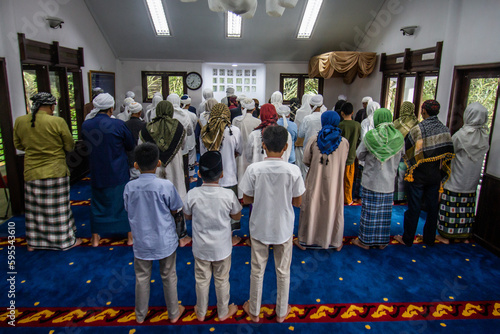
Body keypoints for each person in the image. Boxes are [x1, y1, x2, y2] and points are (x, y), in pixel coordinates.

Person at [240, 125, 305, 323]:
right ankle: (281, 312)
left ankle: (254, 311)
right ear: (286, 147)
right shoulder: (293, 170)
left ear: (263, 145)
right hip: (283, 227)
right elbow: (298, 202)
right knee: (283, 271)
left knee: (257, 270)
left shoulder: (254, 169)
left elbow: (246, 200)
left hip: (259, 226)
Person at [123, 143, 186, 324]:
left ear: (136, 165)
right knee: (168, 275)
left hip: (141, 240)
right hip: (164, 239)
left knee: (142, 277)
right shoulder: (165, 185)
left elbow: (128, 209)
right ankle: (174, 313)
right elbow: (176, 208)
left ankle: (140, 315)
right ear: (158, 163)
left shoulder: (129, 187)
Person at [13, 92, 81, 251]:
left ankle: (34, 242)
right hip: (55, 171)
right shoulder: (57, 121)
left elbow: (19, 145)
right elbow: (69, 146)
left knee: (35, 210)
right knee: (59, 208)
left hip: (32, 171)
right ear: (52, 106)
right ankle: (65, 241)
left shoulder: (20, 121)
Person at [183, 151, 242, 322]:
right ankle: (223, 311)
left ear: (199, 174)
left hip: (200, 247)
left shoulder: (192, 194)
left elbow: (187, 216)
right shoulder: (228, 195)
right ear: (222, 174)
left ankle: (201, 312)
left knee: (201, 279)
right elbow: (237, 216)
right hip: (222, 247)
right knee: (222, 279)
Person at [395, 100, 455, 247]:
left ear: (424, 111)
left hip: (417, 174)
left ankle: (408, 239)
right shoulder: (444, 130)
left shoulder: (418, 129)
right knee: (433, 209)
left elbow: (407, 150)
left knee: (414, 208)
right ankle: (429, 239)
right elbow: (447, 153)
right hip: (435, 175)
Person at [82, 93, 135, 247]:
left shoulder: (86, 125)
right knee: (122, 203)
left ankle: (95, 239)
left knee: (97, 204)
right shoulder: (118, 125)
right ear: (111, 108)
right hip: (117, 171)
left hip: (97, 171)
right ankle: (130, 237)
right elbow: (130, 145)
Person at [295, 111, 348, 251]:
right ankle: (334, 242)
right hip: (334, 182)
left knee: (312, 206)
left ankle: (306, 240)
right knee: (332, 207)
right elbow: (344, 162)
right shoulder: (344, 142)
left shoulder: (314, 139)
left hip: (315, 179)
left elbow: (306, 160)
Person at [436, 102, 489, 244]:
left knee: (451, 207)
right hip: (472, 181)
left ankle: (446, 236)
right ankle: (463, 236)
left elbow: (448, 154)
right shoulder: (484, 137)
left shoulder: (460, 135)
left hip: (456, 178)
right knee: (466, 209)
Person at [352, 108, 404, 250]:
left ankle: (365, 242)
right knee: (385, 213)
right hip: (388, 182)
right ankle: (381, 242)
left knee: (369, 212)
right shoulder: (398, 137)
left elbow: (359, 154)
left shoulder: (371, 136)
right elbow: (402, 155)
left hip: (371, 181)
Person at [200, 103, 242, 241]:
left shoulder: (205, 131)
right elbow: (239, 150)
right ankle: (229, 237)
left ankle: (212, 235)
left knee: (212, 208)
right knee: (230, 208)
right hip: (229, 175)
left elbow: (202, 154)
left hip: (210, 177)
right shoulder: (233, 130)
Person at [139, 101, 188, 202]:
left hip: (154, 167)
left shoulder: (147, 128)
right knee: (175, 190)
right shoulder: (178, 127)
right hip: (174, 166)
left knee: (156, 198)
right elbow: (183, 145)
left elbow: (140, 147)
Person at [232, 98, 261, 200]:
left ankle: (241, 196)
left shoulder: (236, 120)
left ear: (242, 107)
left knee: (240, 173)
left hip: (239, 151)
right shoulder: (258, 121)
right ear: (253, 109)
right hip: (254, 152)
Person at [168, 94, 194, 191]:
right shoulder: (184, 114)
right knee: (183, 172)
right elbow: (190, 131)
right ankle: (184, 192)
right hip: (182, 149)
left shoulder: (164, 114)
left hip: (166, 150)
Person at [393, 101, 419, 202]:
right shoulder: (416, 123)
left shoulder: (396, 123)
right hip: (413, 155)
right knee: (409, 174)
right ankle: (407, 197)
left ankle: (398, 197)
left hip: (398, 153)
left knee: (398, 175)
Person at [338, 102, 361, 205]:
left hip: (340, 155)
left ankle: (338, 197)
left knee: (339, 178)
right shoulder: (357, 125)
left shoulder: (340, 125)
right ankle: (347, 199)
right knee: (349, 179)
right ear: (352, 112)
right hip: (351, 155)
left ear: (342, 113)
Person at [125, 102, 147, 180]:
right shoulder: (144, 125)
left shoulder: (124, 124)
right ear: (140, 112)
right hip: (141, 157)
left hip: (128, 157)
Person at [294, 93, 314, 178]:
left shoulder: (300, 112)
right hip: (314, 142)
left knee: (301, 164)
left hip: (301, 142)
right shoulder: (318, 113)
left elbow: (297, 127)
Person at [181, 95, 199, 183]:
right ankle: (191, 176)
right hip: (190, 138)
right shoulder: (192, 115)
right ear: (189, 104)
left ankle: (182, 175)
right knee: (191, 158)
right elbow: (194, 127)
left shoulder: (177, 114)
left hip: (180, 140)